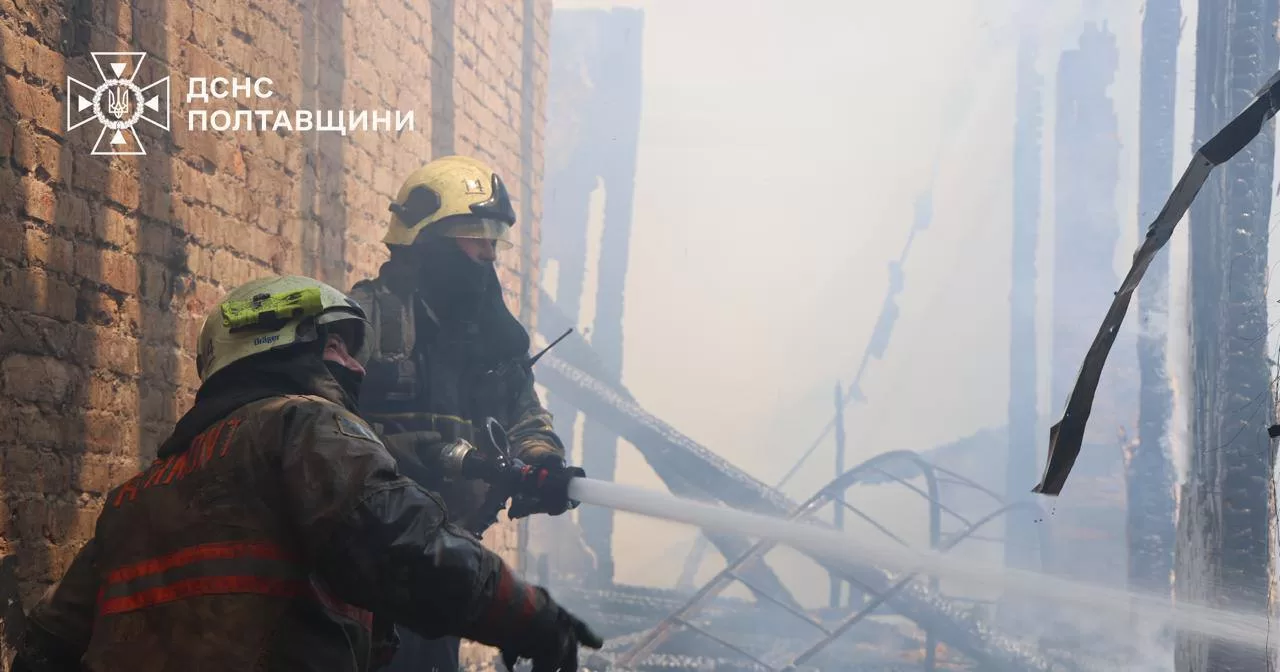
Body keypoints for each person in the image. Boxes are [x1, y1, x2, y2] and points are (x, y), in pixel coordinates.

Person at [10, 275, 601, 672]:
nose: (355, 368)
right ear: (273, 345)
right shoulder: (301, 425)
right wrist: (530, 617)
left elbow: (47, 646)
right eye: (337, 346)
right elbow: (406, 546)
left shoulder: (133, 498)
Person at [348, 156, 583, 672]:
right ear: (429, 239)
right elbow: (325, 425)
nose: (486, 254)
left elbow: (523, 413)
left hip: (446, 559)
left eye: (493, 241)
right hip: (364, 559)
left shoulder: (493, 332)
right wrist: (420, 454)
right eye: (474, 237)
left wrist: (542, 462)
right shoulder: (367, 320)